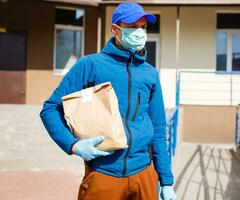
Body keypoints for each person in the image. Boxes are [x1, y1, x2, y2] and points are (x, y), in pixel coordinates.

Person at [40, 2, 176, 200]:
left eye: (143, 27)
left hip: (144, 174)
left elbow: (158, 129)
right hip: (104, 174)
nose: (140, 32)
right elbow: (50, 109)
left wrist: (166, 181)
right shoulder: (91, 65)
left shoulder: (150, 74)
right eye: (132, 26)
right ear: (115, 29)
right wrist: (74, 145)